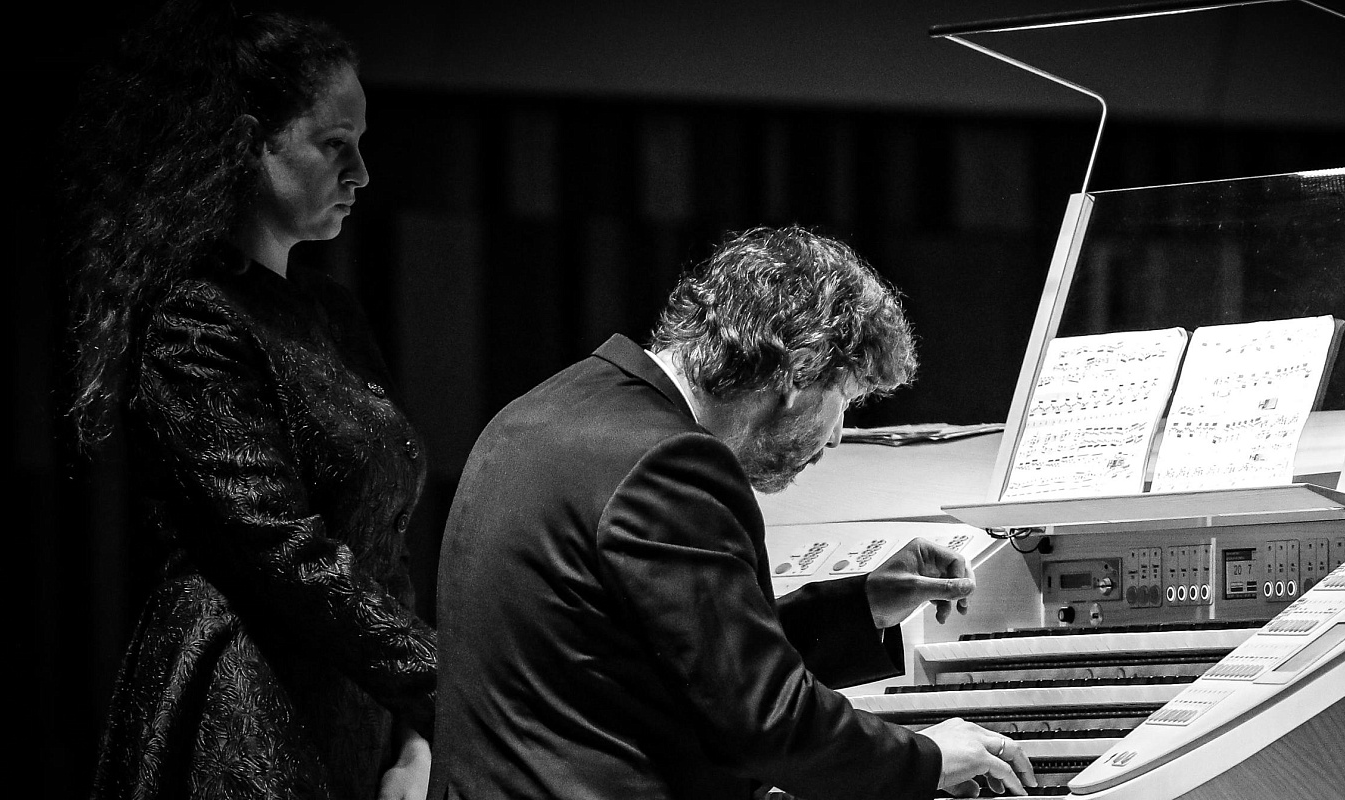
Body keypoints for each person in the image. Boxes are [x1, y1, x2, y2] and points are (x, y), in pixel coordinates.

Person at [430, 226, 1036, 799]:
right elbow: (765, 721)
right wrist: (927, 758)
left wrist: (862, 607)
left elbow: (692, 660)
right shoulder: (668, 463)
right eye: (844, 400)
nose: (835, 437)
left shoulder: (543, 412)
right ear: (798, 374)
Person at [57, 2, 437, 798]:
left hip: (348, 709)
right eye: (335, 144)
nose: (362, 173)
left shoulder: (331, 313)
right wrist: (444, 684)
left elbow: (383, 540)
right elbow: (281, 552)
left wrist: (412, 733)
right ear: (247, 144)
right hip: (243, 717)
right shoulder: (194, 320)